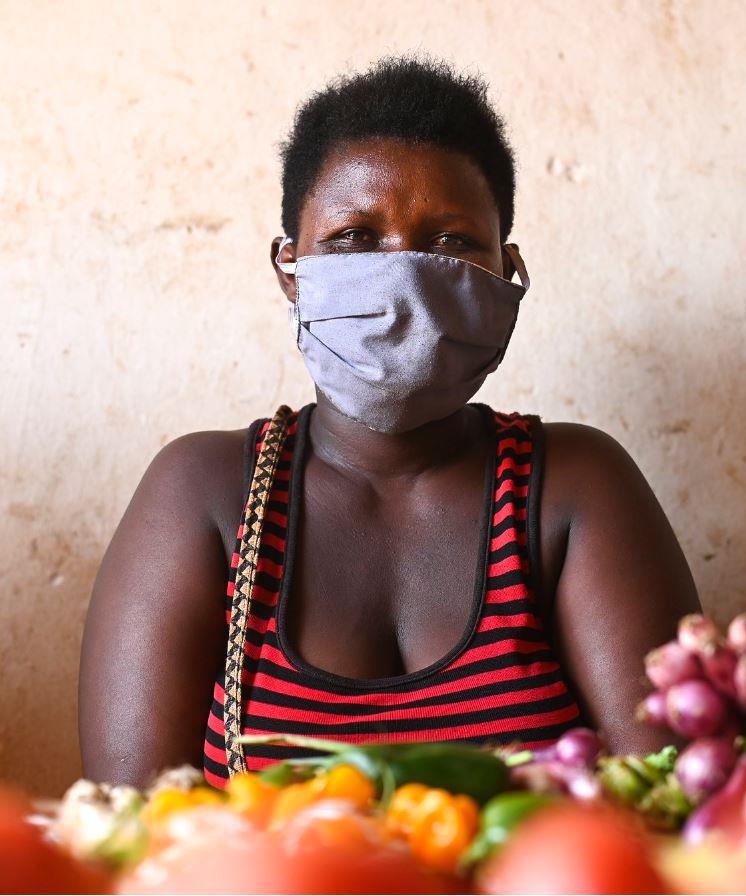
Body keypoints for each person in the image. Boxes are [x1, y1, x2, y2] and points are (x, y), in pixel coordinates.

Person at [79, 56, 700, 788]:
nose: (403, 279)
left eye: (450, 243)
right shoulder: (205, 493)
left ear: (506, 271)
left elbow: (672, 808)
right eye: (354, 237)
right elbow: (134, 833)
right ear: (289, 268)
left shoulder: (572, 489)